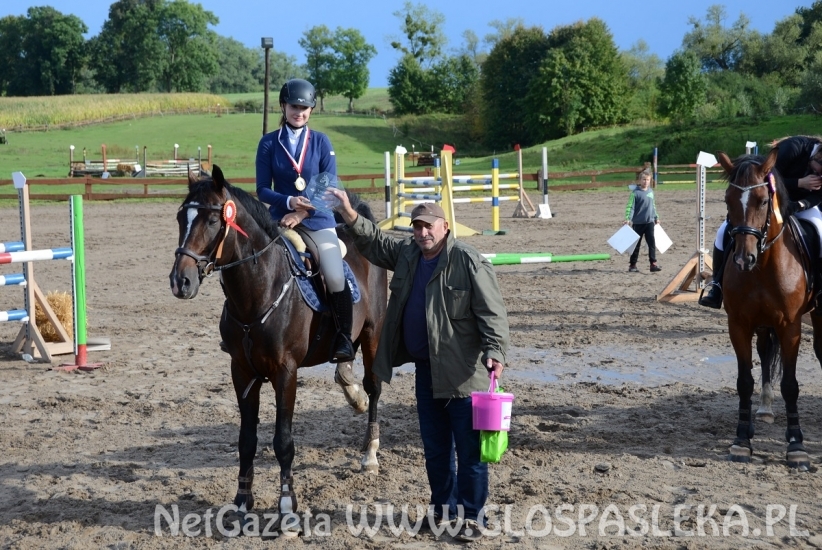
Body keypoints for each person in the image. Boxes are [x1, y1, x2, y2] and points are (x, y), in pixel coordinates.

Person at [328, 193, 509, 543]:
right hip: (426, 371)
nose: (423, 232)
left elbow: (492, 312)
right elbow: (375, 242)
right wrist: (350, 215)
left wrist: (496, 351)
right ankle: (442, 511)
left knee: (469, 451)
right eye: (417, 226)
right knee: (436, 448)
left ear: (444, 227)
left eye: (429, 226)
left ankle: (472, 516)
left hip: (464, 374)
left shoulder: (468, 261)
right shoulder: (409, 254)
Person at [255, 78, 354, 362]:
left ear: (311, 109)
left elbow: (327, 185)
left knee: (334, 274)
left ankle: (344, 338)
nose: (299, 112)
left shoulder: (322, 142)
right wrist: (288, 203)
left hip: (319, 219)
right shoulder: (268, 143)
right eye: (294, 106)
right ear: (283, 106)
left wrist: (302, 212)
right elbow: (262, 189)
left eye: (305, 107)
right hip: (280, 219)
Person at [700, 136, 822, 308]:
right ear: (816, 156)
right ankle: (717, 286)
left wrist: (798, 206)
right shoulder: (792, 148)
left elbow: (819, 195)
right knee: (722, 232)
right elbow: (767, 178)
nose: (819, 175)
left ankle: (819, 288)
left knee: (820, 231)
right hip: (767, 203)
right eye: (819, 171)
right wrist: (800, 182)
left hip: (802, 205)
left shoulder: (817, 167)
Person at [624, 168, 661, 273]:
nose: (646, 182)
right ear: (640, 180)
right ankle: (632, 265)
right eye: (644, 179)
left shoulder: (650, 192)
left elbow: (653, 206)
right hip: (638, 223)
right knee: (636, 245)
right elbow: (630, 207)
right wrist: (628, 219)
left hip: (649, 223)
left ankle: (653, 264)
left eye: (648, 180)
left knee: (651, 244)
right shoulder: (635, 193)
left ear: (650, 181)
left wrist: (656, 217)